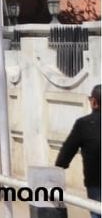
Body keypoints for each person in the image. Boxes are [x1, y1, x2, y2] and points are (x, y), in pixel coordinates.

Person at [56, 84, 100, 218]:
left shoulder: (84, 124)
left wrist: (59, 166)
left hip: (96, 183)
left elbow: (68, 149)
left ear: (94, 102)